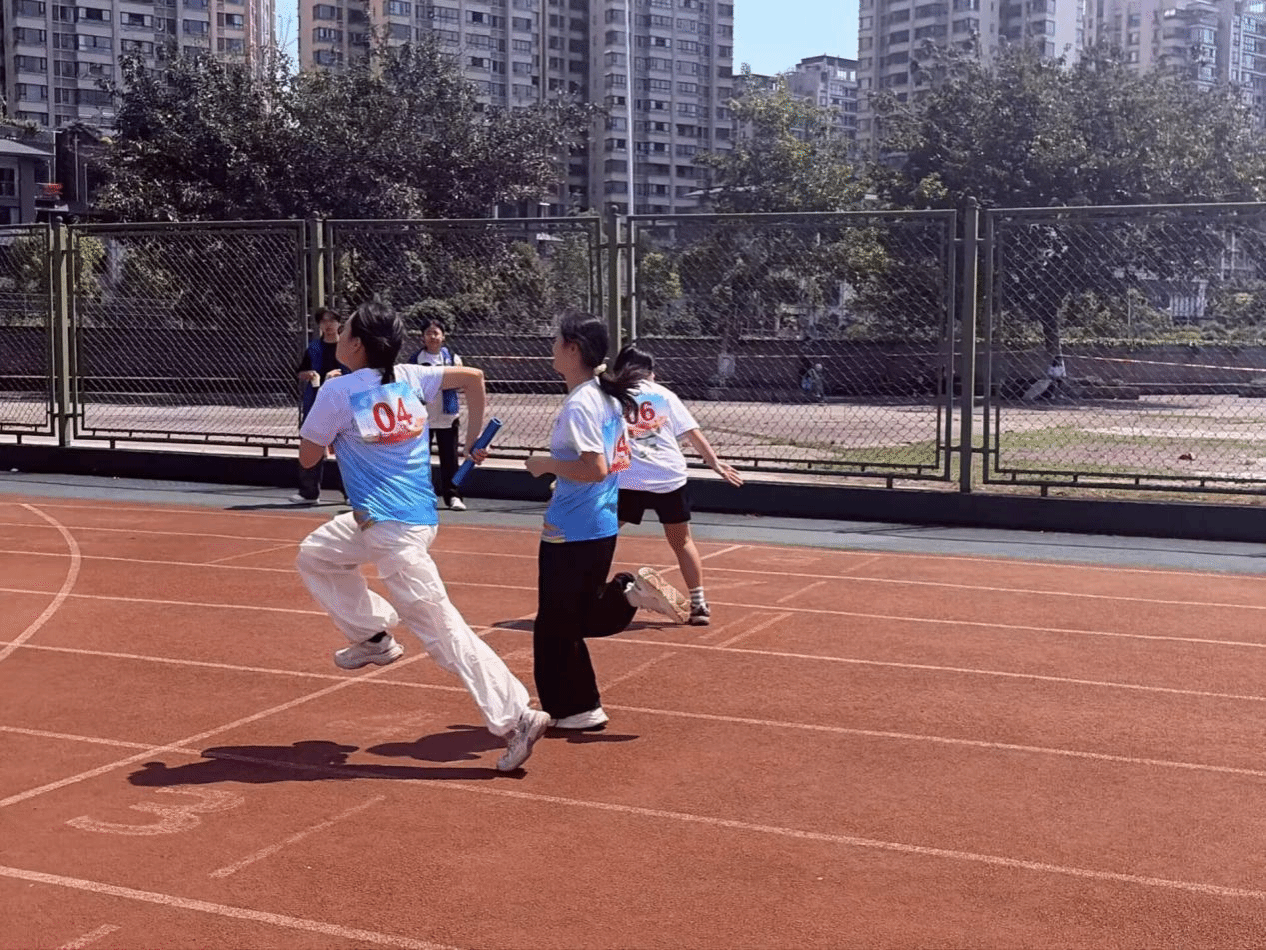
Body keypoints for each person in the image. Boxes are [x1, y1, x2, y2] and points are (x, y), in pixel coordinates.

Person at [294, 301, 549, 772]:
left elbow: (309, 459)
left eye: (343, 331)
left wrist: (325, 408)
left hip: (393, 534)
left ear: (356, 345)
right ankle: (373, 636)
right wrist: (474, 438)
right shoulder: (412, 376)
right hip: (401, 520)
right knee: (317, 554)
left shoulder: (339, 391)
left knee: (443, 632)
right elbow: (474, 378)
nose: (337, 336)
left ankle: (517, 716)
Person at [524, 313, 690, 732]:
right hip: (598, 523)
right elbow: (610, 462)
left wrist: (545, 465)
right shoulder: (606, 397)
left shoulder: (582, 402)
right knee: (568, 619)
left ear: (573, 348)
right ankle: (581, 708)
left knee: (555, 625)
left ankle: (627, 596)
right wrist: (565, 478)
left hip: (572, 528)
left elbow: (595, 468)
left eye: (556, 340)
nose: (551, 347)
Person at [613, 342, 744, 626]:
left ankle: (585, 589)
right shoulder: (663, 395)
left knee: (604, 532)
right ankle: (698, 603)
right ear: (650, 372)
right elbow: (693, 433)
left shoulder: (613, 395)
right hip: (668, 476)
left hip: (630, 477)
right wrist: (715, 463)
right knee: (682, 541)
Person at [409, 317, 466, 511]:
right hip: (422, 417)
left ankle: (453, 496)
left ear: (443, 336)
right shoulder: (415, 360)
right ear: (422, 337)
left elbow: (461, 382)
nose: (432, 337)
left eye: (436, 333)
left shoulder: (452, 358)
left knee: (449, 459)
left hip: (447, 417)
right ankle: (420, 497)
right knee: (419, 459)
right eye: (428, 333)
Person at [293, 307, 348, 504]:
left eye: (332, 321)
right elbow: (301, 371)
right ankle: (309, 493)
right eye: (324, 321)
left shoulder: (348, 347)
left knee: (347, 449)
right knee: (312, 445)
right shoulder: (314, 347)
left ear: (339, 323)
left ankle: (351, 493)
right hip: (316, 402)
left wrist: (339, 375)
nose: (328, 325)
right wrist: (308, 375)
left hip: (343, 403)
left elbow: (358, 372)